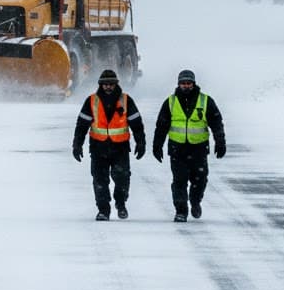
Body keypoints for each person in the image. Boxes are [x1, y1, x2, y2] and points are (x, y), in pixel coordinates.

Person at [152, 69, 226, 222]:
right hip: (177, 150)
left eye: (189, 83)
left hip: (198, 148)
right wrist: (157, 145)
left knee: (200, 180)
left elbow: (216, 123)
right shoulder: (170, 102)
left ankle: (195, 201)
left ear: (194, 84)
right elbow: (161, 126)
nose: (186, 86)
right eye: (183, 83)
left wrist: (220, 141)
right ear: (178, 84)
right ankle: (181, 211)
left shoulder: (205, 101)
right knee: (179, 181)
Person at [72, 68, 145, 220]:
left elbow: (136, 123)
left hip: (120, 148)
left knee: (122, 178)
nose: (108, 87)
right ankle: (103, 210)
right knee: (100, 181)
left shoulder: (126, 100)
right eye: (105, 84)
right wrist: (77, 144)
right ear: (100, 85)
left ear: (116, 84)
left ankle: (121, 203)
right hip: (98, 149)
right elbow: (81, 125)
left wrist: (141, 142)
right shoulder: (91, 101)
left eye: (111, 84)